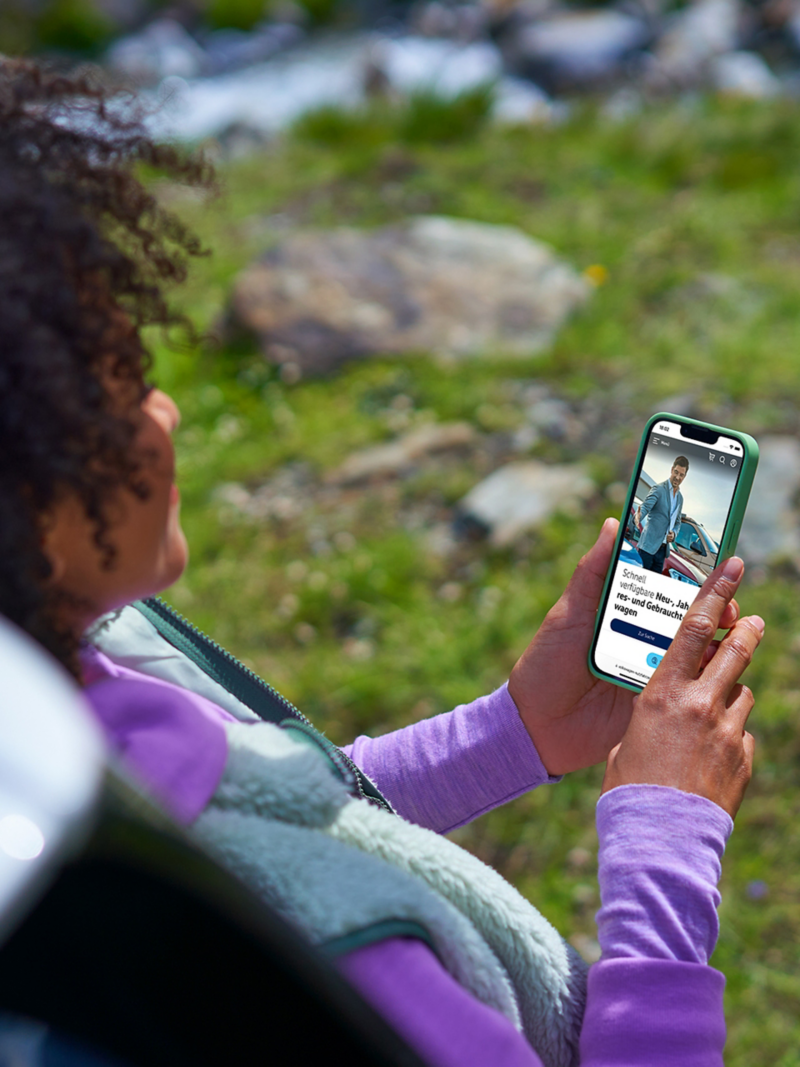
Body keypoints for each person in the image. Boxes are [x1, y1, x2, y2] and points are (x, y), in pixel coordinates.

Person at [0, 57, 762, 1067]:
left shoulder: (62, 695)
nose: (165, 410)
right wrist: (664, 844)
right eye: (121, 381)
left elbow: (281, 803)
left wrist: (509, 732)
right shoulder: (302, 967)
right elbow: (274, 864)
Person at [636, 458, 689, 572]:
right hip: (647, 549)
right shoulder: (658, 489)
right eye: (676, 472)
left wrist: (674, 534)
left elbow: (678, 522)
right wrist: (638, 516)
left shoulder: (680, 499)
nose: (678, 477)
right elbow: (645, 507)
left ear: (684, 476)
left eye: (681, 475)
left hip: (662, 552)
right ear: (671, 469)